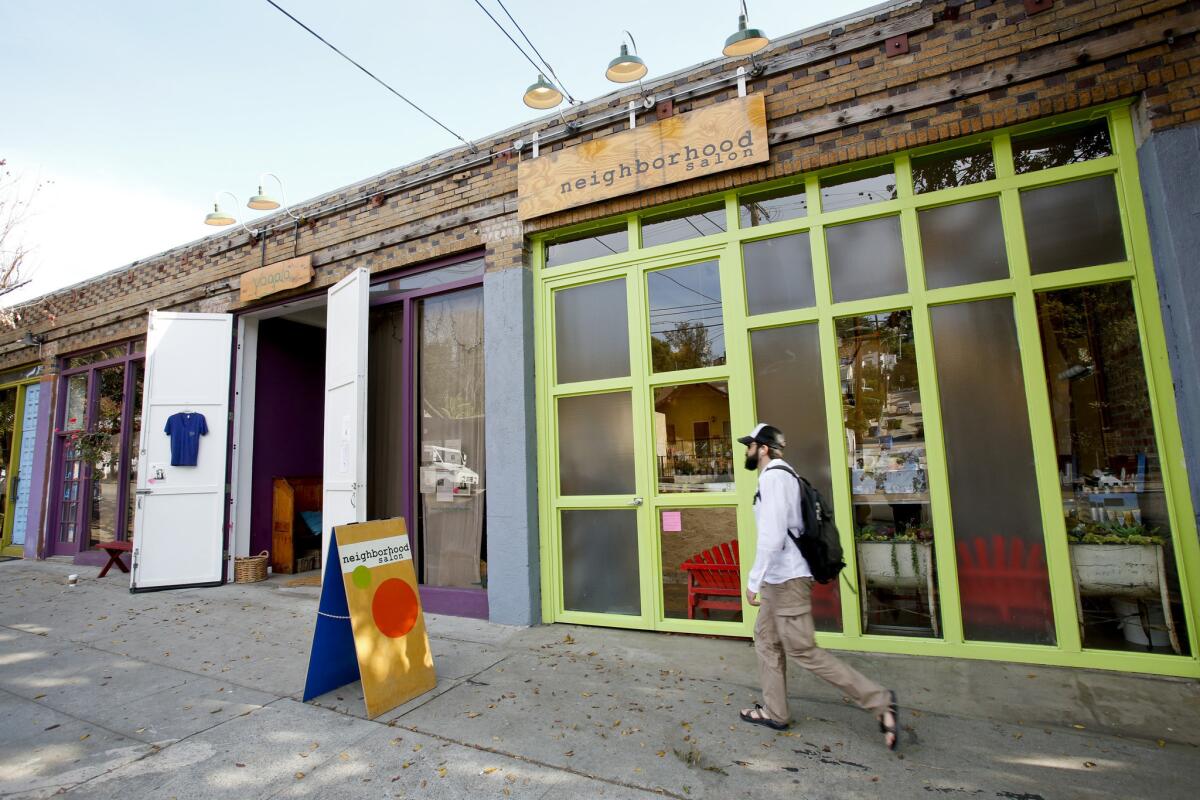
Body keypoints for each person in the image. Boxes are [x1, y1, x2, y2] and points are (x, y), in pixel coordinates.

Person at [736, 422, 899, 751]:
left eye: (750, 445)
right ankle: (775, 711)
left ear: (764, 448)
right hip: (778, 580)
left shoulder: (774, 478)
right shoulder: (782, 476)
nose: (747, 451)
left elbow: (772, 536)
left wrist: (753, 581)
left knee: (803, 651)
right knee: (766, 640)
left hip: (787, 581)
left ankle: (880, 701)